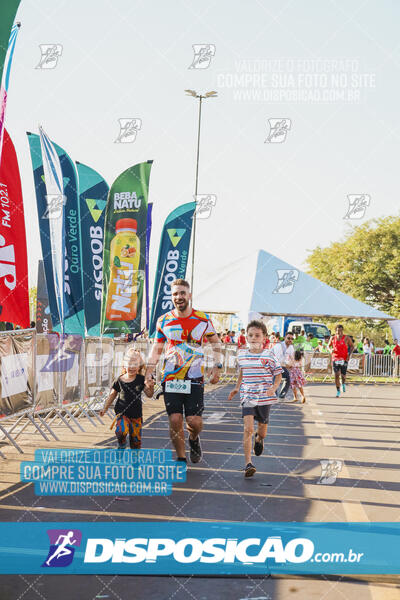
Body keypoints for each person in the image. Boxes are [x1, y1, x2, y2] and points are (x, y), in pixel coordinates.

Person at [145, 279, 221, 463]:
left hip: (195, 378)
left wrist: (216, 365)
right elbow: (156, 349)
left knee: (194, 422)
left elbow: (216, 343)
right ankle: (180, 458)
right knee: (175, 419)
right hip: (171, 377)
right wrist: (148, 373)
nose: (178, 297)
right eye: (175, 294)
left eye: (182, 293)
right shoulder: (163, 321)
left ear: (189, 295)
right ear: (172, 297)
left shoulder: (202, 319)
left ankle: (194, 439)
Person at [228, 320, 282, 478]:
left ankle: (260, 439)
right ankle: (248, 464)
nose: (253, 338)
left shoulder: (269, 355)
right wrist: (237, 387)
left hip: (264, 397)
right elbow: (242, 373)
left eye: (257, 335)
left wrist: (273, 388)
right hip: (248, 395)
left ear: (264, 337)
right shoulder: (242, 355)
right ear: (246, 337)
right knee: (248, 429)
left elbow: (278, 375)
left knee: (262, 431)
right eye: (250, 335)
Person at [100, 348, 154, 449]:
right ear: (124, 365)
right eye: (129, 364)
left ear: (139, 366)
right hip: (122, 413)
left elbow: (149, 394)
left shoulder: (141, 380)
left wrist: (150, 386)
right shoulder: (119, 380)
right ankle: (122, 443)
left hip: (136, 415)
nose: (132, 367)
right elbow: (112, 395)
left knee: (136, 443)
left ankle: (135, 461)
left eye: (135, 364)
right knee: (120, 431)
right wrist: (105, 408)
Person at [328, 325, 354, 397]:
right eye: (337, 330)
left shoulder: (346, 338)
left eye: (340, 330)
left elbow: (352, 346)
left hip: (344, 358)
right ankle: (338, 391)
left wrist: (349, 354)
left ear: (342, 331)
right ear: (335, 331)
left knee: (343, 375)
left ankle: (343, 384)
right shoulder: (333, 338)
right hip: (335, 358)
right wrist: (330, 350)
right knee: (336, 375)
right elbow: (328, 346)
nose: (338, 332)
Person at [272, 332, 295, 398]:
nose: (290, 340)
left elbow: (292, 358)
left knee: (288, 377)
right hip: (272, 364)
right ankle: (274, 395)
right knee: (276, 378)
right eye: (288, 338)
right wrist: (287, 365)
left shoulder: (291, 347)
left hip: (281, 365)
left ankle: (282, 394)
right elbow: (277, 361)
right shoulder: (279, 346)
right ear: (284, 338)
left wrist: (292, 365)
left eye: (292, 339)